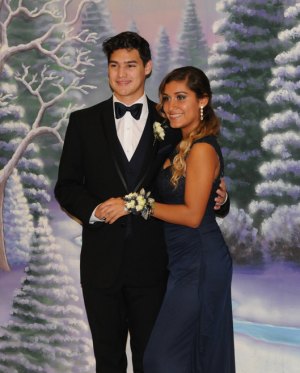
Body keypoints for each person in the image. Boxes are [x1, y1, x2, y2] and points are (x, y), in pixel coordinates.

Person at [55, 32, 230, 373]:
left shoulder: (173, 120)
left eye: (131, 65)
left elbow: (194, 174)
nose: (122, 74)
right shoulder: (82, 122)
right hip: (100, 265)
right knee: (107, 362)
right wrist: (95, 211)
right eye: (114, 65)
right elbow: (67, 186)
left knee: (153, 362)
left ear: (147, 68)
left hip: (157, 266)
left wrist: (220, 198)